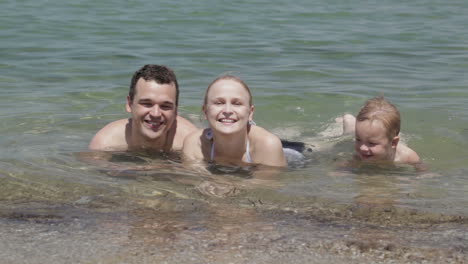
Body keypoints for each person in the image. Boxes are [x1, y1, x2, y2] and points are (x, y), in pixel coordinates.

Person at [182, 75, 287, 167]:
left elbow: (267, 188)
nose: (227, 110)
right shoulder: (195, 143)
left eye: (237, 103)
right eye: (219, 103)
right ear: (205, 111)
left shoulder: (267, 146)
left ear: (250, 113)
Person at [89, 64, 196, 152]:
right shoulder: (105, 144)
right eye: (147, 103)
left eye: (165, 106)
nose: (156, 113)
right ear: (129, 104)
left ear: (176, 110)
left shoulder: (190, 143)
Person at [341, 96, 421, 165]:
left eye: (371, 143)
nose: (362, 148)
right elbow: (341, 168)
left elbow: (421, 169)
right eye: (358, 140)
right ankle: (349, 119)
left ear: (394, 143)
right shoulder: (357, 155)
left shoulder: (407, 156)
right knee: (349, 131)